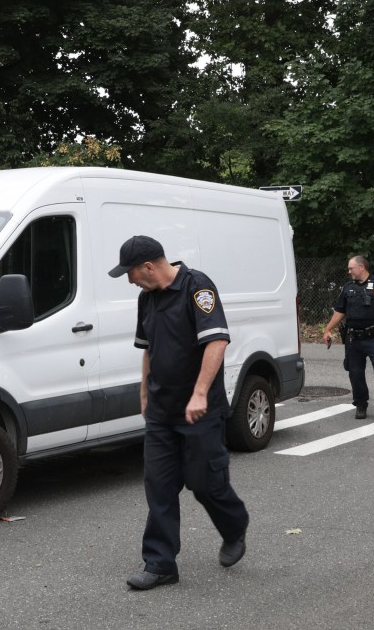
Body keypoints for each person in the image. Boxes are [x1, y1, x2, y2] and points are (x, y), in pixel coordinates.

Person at [109, 235, 249, 591]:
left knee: (205, 484)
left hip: (199, 411)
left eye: (131, 273)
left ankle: (234, 527)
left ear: (148, 267)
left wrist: (200, 393)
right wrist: (144, 391)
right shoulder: (147, 299)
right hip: (161, 411)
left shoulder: (197, 287)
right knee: (159, 486)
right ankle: (160, 564)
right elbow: (147, 349)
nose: (129, 280)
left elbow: (217, 340)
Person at [322, 255, 374, 422]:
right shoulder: (348, 287)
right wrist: (328, 329)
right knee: (355, 373)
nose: (349, 271)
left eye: (351, 268)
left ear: (361, 267)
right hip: (353, 338)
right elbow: (340, 311)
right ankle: (361, 404)